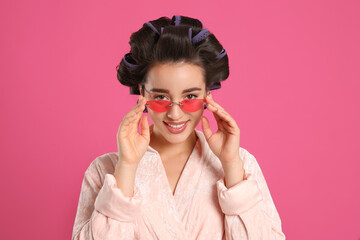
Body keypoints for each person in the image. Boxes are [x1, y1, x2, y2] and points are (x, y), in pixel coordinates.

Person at [72, 15, 286, 240]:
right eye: (161, 96)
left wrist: (231, 165)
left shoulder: (242, 165)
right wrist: (127, 166)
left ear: (207, 95)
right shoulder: (104, 170)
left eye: (191, 96)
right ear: (142, 93)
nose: (175, 113)